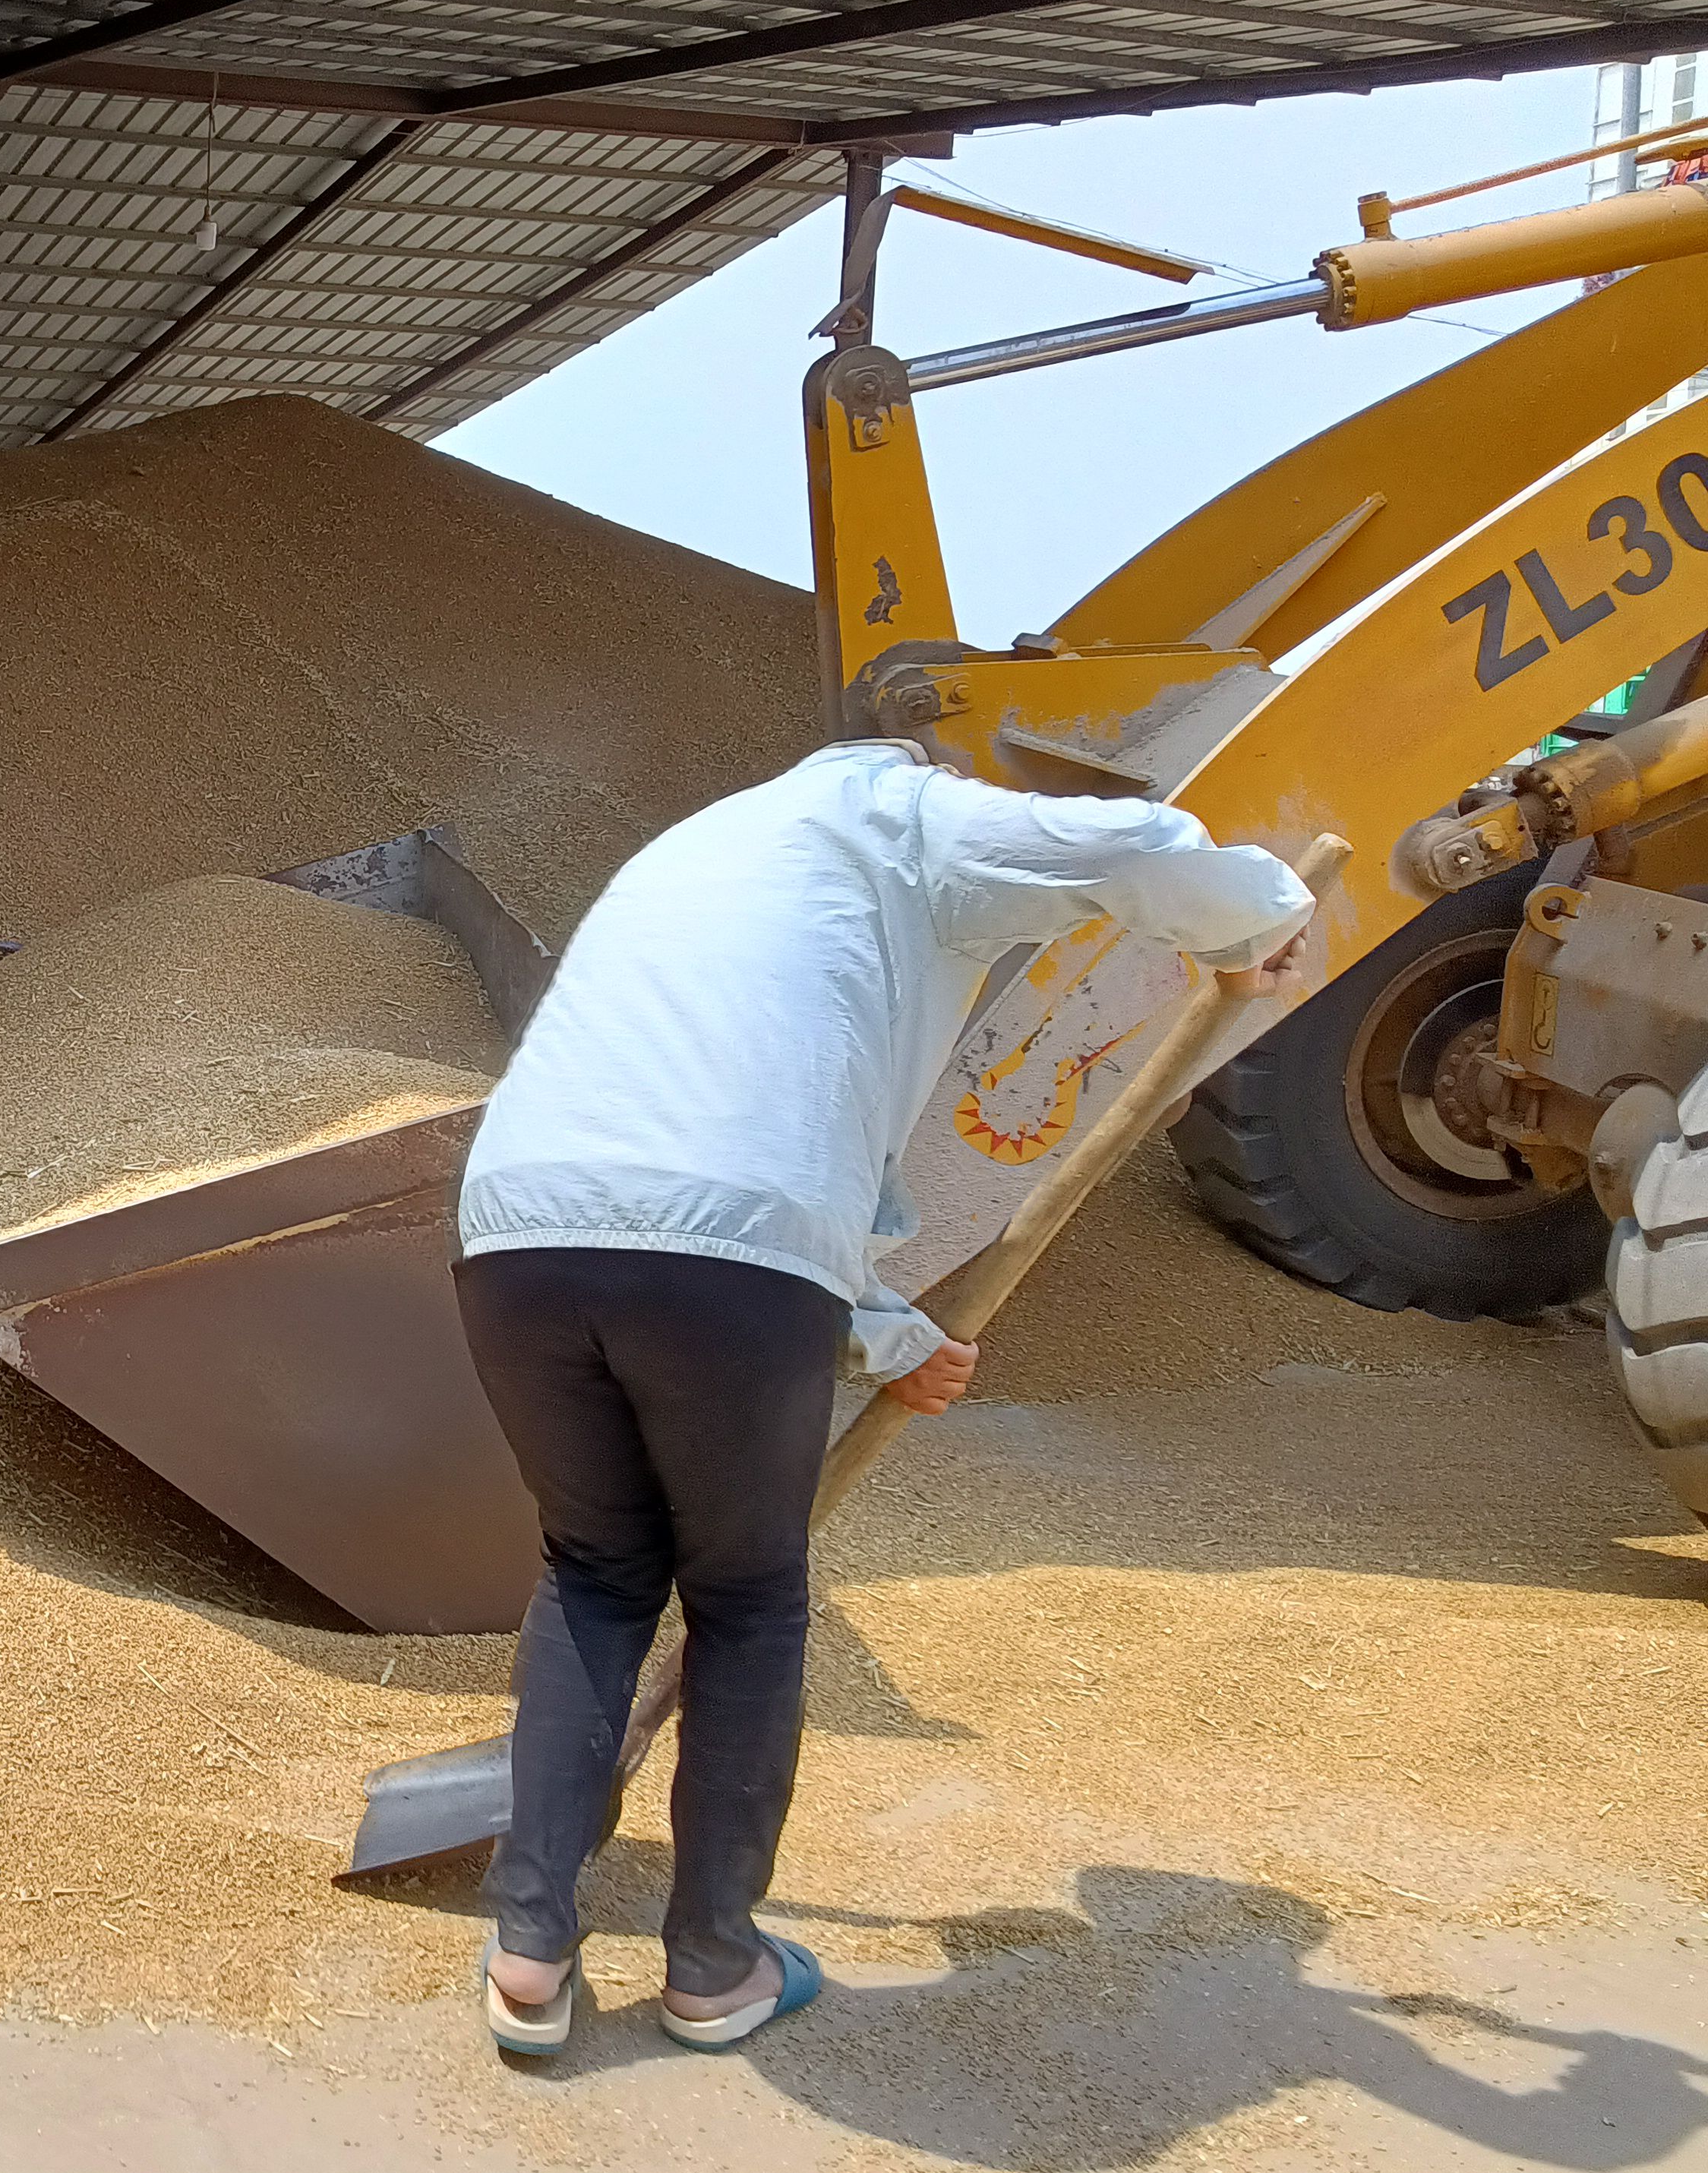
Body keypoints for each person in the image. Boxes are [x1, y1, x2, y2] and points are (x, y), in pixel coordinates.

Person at [453, 737, 1314, 2056]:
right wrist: (1255, 926)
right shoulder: (903, 816)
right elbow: (1137, 851)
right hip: (736, 1263)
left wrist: (883, 1332)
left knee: (596, 1570)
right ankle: (711, 1969)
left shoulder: (700, 848)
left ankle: (527, 1947)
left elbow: (724, 1126)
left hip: (516, 1238)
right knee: (745, 1595)